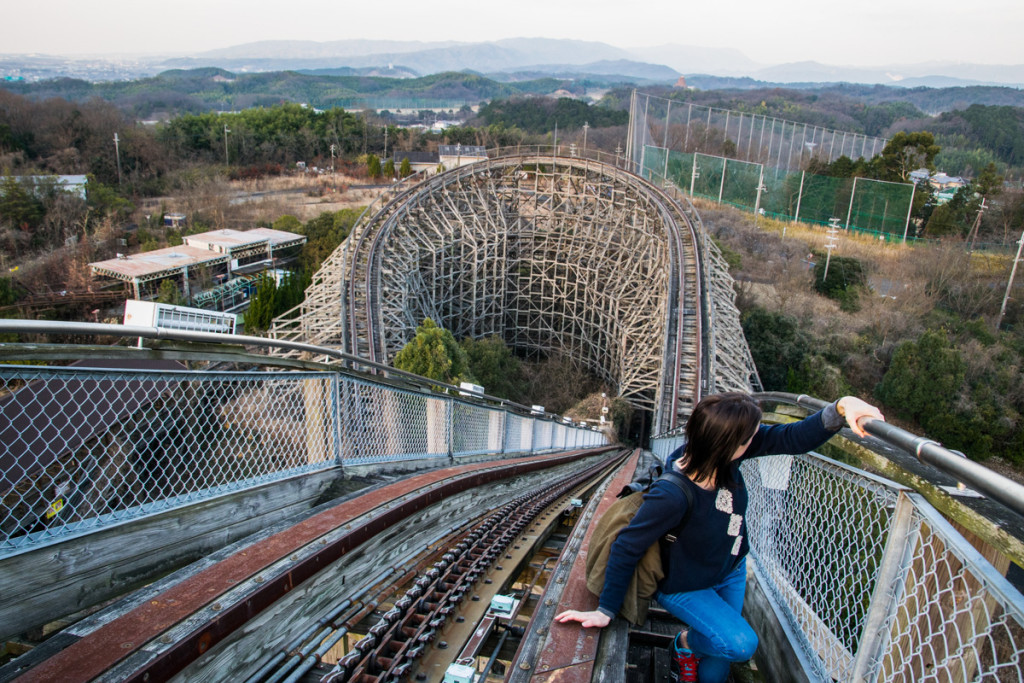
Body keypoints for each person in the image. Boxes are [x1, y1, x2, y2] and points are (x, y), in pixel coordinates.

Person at [554, 392, 884, 682]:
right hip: (684, 585)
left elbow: (791, 438)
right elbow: (627, 545)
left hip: (731, 569)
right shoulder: (672, 494)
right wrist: (606, 610)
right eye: (751, 436)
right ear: (728, 445)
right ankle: (683, 643)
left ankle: (689, 648)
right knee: (739, 645)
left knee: (714, 673)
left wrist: (840, 407)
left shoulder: (724, 459)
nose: (757, 440)